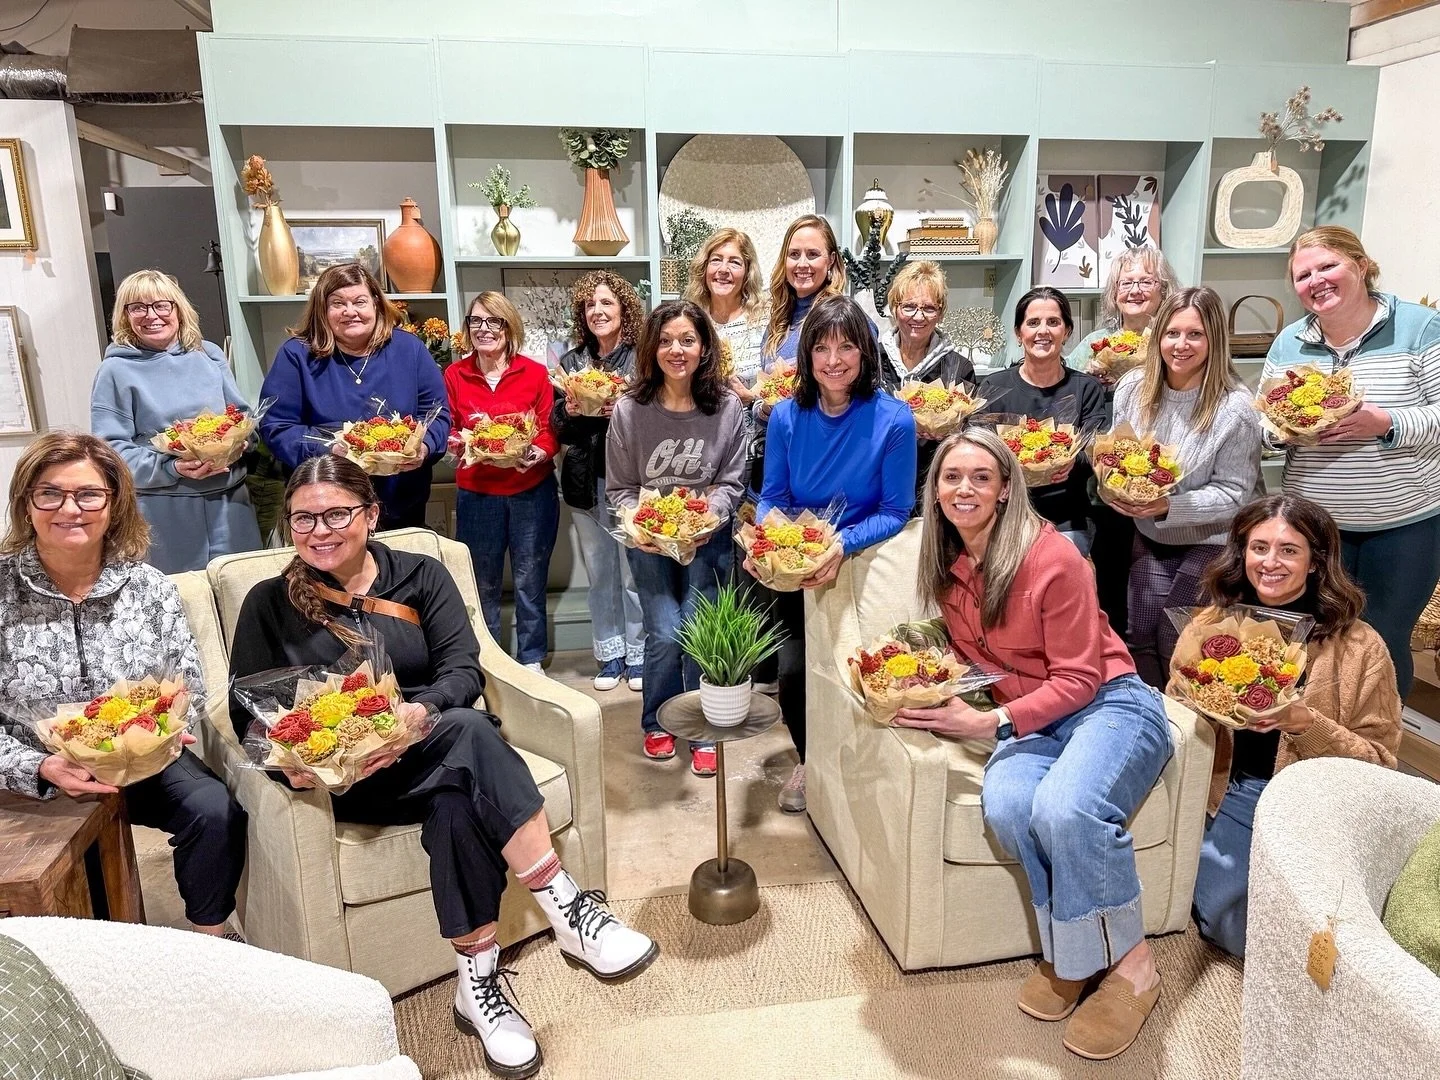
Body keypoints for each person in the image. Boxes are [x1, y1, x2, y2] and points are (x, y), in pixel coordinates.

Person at [228, 456, 656, 1079]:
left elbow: (463, 671)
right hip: (345, 783)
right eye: (304, 518)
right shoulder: (268, 602)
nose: (320, 530)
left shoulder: (420, 576)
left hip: (427, 750)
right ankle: (566, 904)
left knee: (459, 774)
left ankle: (476, 983)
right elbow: (249, 714)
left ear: (371, 516)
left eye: (338, 514)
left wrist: (416, 715)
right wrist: (285, 766)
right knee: (472, 733)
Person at [898, 428, 1172, 1062]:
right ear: (935, 491)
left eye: (980, 478)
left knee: (1063, 809)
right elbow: (980, 657)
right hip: (1037, 719)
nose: (964, 489)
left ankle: (1134, 967)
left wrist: (987, 724)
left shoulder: (1055, 560)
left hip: (1112, 703)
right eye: (951, 477)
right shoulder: (946, 568)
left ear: (1004, 491)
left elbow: (1079, 677)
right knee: (1010, 805)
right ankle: (1074, 957)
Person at [0, 433, 246, 939]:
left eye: (89, 494)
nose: (71, 509)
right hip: (31, 773)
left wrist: (170, 727)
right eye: (50, 493)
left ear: (114, 505)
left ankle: (211, 945)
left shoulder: (150, 587)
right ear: (27, 504)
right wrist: (40, 765)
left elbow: (188, 683)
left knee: (214, 810)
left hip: (144, 762)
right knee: (88, 909)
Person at [1183, 493, 1402, 958]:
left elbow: (1382, 763)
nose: (1270, 562)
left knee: (1323, 926)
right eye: (1258, 547)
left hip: (1314, 799)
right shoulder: (1211, 623)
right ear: (1241, 553)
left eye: (1289, 550)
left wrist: (1307, 723)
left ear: (1316, 562)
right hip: (1229, 789)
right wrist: (1201, 699)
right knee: (1232, 923)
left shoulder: (1361, 646)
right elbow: (1174, 712)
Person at [754, 294, 917, 813]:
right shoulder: (784, 417)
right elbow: (773, 497)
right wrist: (769, 539)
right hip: (798, 565)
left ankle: (867, 766)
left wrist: (839, 544)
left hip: (864, 562)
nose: (833, 359)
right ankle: (809, 761)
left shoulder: (895, 420)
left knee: (860, 667)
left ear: (866, 353)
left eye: (847, 346)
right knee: (796, 672)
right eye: (821, 347)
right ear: (806, 357)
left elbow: (896, 509)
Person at [1263, 225, 1440, 699]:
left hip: (1402, 526)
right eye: (1304, 275)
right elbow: (1265, 426)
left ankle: (1377, 757)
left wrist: (1384, 423)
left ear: (1360, 265)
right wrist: (1288, 429)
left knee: (1381, 642)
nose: (1316, 281)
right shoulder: (1289, 343)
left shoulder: (1419, 327)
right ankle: (1308, 748)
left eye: (1328, 266)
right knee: (1309, 639)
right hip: (1314, 527)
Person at [606, 300, 747, 776]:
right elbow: (621, 488)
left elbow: (731, 481)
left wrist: (708, 515)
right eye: (665, 340)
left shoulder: (727, 407)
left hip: (709, 539)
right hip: (648, 542)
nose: (676, 349)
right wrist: (640, 526)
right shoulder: (630, 410)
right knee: (664, 630)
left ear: (704, 346)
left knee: (699, 628)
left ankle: (704, 722)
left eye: (688, 339)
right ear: (652, 348)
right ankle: (658, 718)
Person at [1110, 287, 1262, 687]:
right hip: (1151, 535)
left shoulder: (1236, 409)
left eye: (1195, 334)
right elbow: (1116, 456)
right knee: (1139, 636)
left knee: (1179, 640)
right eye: (1172, 333)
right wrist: (1113, 488)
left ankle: (1190, 729)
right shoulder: (1132, 388)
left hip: (1211, 541)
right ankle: (1154, 722)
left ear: (1214, 340)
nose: (1181, 345)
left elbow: (1234, 493)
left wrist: (1167, 506)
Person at [90, 269, 262, 572]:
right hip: (165, 511)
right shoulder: (114, 371)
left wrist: (242, 441)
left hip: (231, 503)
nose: (150, 315)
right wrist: (172, 467)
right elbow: (111, 452)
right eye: (137, 307)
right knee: (182, 604)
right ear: (125, 316)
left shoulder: (209, 354)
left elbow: (242, 416)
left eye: (161, 305)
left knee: (243, 595)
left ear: (178, 309)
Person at [259, 262, 450, 530]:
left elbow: (437, 413)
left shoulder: (410, 349)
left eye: (359, 301)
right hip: (325, 510)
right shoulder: (296, 356)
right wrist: (329, 451)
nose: (350, 312)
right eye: (337, 303)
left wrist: (424, 446)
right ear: (322, 310)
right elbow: (276, 427)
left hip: (401, 503)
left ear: (375, 303)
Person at [1066, 249, 1179, 637]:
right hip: (1105, 488)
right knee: (1108, 585)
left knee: (1152, 595)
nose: (1134, 290)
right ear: (1113, 293)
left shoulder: (1175, 341)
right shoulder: (1096, 343)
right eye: (1125, 282)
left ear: (1163, 289)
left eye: (1144, 281)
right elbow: (1070, 399)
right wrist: (1096, 385)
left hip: (1165, 484)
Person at [444, 292, 558, 675]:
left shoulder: (535, 373)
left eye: (494, 322)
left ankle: (531, 659)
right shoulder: (454, 375)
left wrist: (539, 452)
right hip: (478, 495)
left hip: (531, 492)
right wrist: (456, 443)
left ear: (510, 329)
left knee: (530, 578)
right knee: (482, 583)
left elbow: (547, 430)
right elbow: (449, 428)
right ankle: (489, 661)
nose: (484, 330)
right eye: (476, 322)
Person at [553, 270, 646, 692]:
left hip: (632, 482)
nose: (598, 311)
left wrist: (623, 410)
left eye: (607, 303)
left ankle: (639, 652)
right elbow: (557, 426)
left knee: (633, 574)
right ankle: (610, 655)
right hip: (584, 482)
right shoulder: (571, 363)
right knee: (601, 573)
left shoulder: (642, 358)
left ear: (624, 309)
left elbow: (657, 418)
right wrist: (574, 410)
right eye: (590, 304)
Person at [980, 288, 1107, 554]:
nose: (1043, 331)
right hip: (1002, 517)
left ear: (1067, 331)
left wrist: (1072, 461)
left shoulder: (1087, 389)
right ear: (1018, 333)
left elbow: (1096, 454)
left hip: (1066, 520)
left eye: (1053, 322)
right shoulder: (994, 386)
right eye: (1033, 323)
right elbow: (979, 454)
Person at [876, 259, 976, 512]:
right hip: (875, 482)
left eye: (929, 308)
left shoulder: (958, 367)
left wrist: (946, 432)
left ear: (941, 313)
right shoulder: (871, 360)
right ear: (895, 308)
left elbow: (969, 434)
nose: (918, 316)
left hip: (933, 485)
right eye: (909, 306)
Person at [686, 227, 768, 403]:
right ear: (704, 268)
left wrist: (752, 397)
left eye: (734, 262)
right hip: (703, 425)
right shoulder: (690, 321)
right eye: (716, 260)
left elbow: (781, 377)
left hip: (756, 426)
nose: (723, 269)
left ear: (747, 273)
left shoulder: (766, 318)